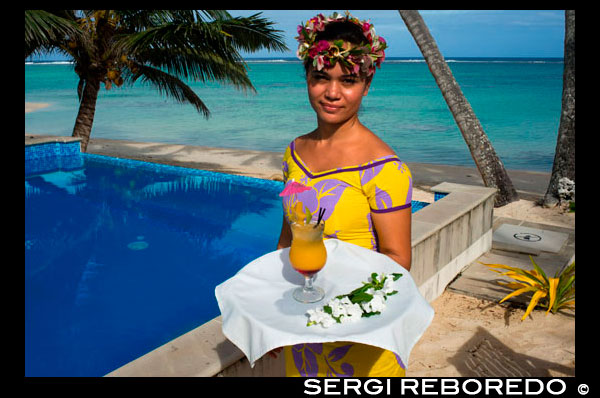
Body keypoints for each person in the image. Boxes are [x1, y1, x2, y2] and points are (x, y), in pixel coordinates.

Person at [273, 11, 413, 377]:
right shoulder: (294, 152)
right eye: (321, 77)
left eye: (348, 81)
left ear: (367, 85)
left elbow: (398, 260)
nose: (332, 93)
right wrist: (273, 312)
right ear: (307, 78)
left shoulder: (384, 168)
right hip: (301, 329)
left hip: (359, 340)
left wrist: (343, 312)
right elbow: (289, 236)